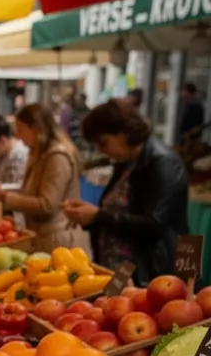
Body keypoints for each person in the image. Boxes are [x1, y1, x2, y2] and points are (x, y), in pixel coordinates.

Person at [64, 98, 188, 284]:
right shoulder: (127, 162)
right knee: (112, 307)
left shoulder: (163, 163)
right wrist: (88, 217)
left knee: (133, 311)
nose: (101, 150)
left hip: (149, 269)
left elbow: (154, 225)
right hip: (121, 267)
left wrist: (98, 216)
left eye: (103, 143)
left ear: (123, 133)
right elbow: (118, 213)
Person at [0, 103, 88, 254]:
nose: (17, 136)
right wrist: (4, 190)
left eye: (20, 130)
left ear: (36, 129)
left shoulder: (57, 157)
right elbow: (33, 190)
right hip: (44, 237)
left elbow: (47, 204)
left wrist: (5, 196)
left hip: (59, 242)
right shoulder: (40, 153)